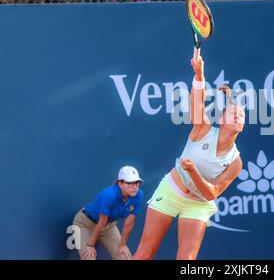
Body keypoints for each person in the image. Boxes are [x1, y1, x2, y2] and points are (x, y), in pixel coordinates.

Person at [133, 56, 245, 260]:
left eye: (242, 115)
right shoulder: (203, 129)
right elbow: (197, 102)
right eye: (233, 113)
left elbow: (212, 193)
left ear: (243, 126)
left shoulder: (236, 162)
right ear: (221, 120)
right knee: (145, 254)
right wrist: (199, 74)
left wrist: (192, 171)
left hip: (198, 203)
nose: (238, 116)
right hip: (171, 191)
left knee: (186, 261)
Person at [72, 165, 144, 260]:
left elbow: (129, 223)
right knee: (88, 258)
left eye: (137, 183)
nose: (134, 187)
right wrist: (90, 245)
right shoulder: (108, 195)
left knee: (124, 257)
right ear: (120, 184)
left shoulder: (138, 195)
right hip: (84, 224)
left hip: (108, 226)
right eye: (129, 183)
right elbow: (101, 222)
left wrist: (122, 245)